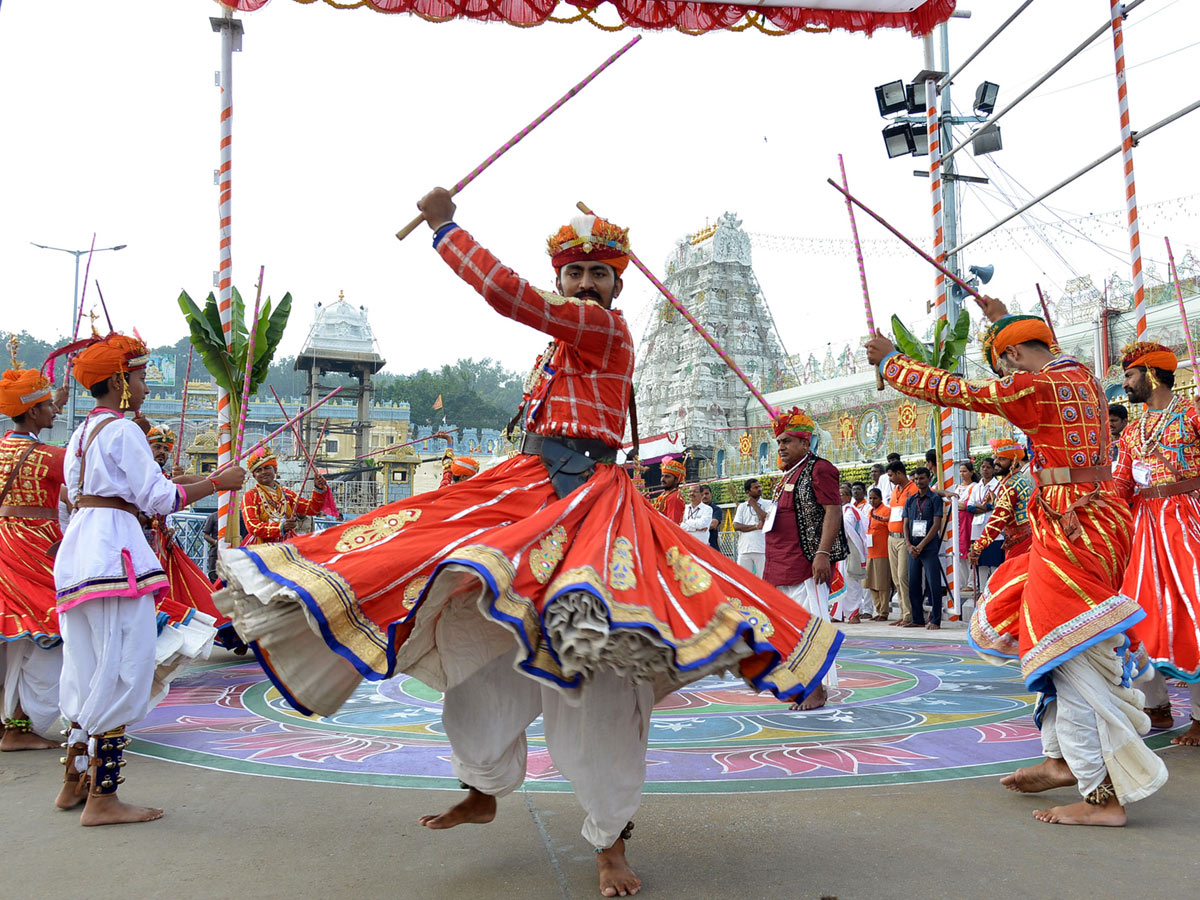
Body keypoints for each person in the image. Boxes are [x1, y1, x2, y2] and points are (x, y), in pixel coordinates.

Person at [215, 195, 842, 896]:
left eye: (596, 273)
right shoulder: (561, 345)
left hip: (589, 508)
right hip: (531, 493)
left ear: (616, 284)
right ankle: (483, 783)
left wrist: (447, 230)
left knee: (596, 673)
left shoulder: (599, 328)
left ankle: (610, 840)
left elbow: (510, 296)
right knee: (478, 629)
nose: (583, 284)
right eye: (573, 273)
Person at [867, 302, 1165, 826]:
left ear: (1014, 355)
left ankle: (1103, 797)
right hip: (1089, 521)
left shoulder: (1037, 386)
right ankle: (1058, 758)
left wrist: (892, 362)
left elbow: (960, 392)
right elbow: (1022, 355)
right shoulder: (1080, 374)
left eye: (1006, 364)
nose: (1007, 377)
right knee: (1054, 640)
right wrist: (1003, 318)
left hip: (1075, 529)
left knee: (1068, 653)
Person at [49, 331, 244, 826]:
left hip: (81, 555)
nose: (146, 387)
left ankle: (74, 783)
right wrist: (217, 483)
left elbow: (82, 498)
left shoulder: (78, 436)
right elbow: (161, 500)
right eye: (139, 376)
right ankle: (104, 798)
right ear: (118, 380)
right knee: (121, 667)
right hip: (114, 556)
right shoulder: (123, 431)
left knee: (86, 666)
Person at [1113, 342, 1200, 746]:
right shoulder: (1131, 430)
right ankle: (1157, 706)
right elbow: (1122, 484)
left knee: (1192, 612)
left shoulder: (1193, 414)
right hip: (1146, 528)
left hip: (1189, 521)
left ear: (1150, 374)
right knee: (1139, 616)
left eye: (1130, 375)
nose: (1125, 384)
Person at [0, 359, 67, 750]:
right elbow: (82, 490)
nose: (53, 411)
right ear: (33, 411)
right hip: (37, 547)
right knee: (43, 632)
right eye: (47, 406)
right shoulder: (50, 457)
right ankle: (18, 728)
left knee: (14, 637)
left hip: (4, 543)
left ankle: (12, 724)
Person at [763, 407, 847, 710]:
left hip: (805, 565)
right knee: (788, 630)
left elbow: (832, 511)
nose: (781, 447)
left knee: (812, 628)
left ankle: (817, 690)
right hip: (778, 566)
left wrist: (822, 554)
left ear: (804, 442)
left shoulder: (819, 468)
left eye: (787, 441)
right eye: (779, 443)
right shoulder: (786, 475)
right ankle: (802, 683)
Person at [968, 440, 1033, 576]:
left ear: (1014, 461)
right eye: (996, 457)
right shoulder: (1019, 479)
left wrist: (978, 546)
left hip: (1019, 541)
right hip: (1026, 537)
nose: (996, 462)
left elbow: (997, 521)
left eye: (1002, 459)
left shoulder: (1010, 485)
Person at [240, 447, 328, 546]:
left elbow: (312, 509)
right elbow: (252, 526)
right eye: (258, 470)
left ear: (275, 470)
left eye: (267, 468)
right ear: (254, 476)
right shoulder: (250, 496)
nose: (263, 472)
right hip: (260, 545)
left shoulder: (287, 494)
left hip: (286, 542)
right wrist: (281, 528)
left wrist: (318, 489)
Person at [904, 467, 944, 630]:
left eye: (922, 478)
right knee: (913, 583)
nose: (918, 481)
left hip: (928, 547)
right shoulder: (911, 500)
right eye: (916, 479)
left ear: (928, 479)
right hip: (912, 547)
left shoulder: (935, 499)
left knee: (933, 583)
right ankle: (917, 618)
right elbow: (905, 524)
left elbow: (936, 525)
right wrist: (909, 544)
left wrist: (921, 546)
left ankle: (935, 619)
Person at [884, 460, 917, 626]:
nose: (889, 479)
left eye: (891, 475)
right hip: (891, 537)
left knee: (903, 576)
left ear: (899, 473)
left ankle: (909, 615)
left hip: (905, 538)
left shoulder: (913, 488)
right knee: (896, 579)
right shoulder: (895, 490)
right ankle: (904, 613)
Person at [836, 482, 869, 624]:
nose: (839, 497)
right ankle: (840, 613)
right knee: (841, 582)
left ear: (849, 497)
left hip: (851, 550)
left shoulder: (850, 511)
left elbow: (846, 527)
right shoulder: (841, 510)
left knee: (851, 582)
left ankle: (854, 613)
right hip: (840, 552)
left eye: (842, 495)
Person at [967, 457, 1001, 591]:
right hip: (977, 528)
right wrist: (984, 507)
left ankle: (994, 591)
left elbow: (995, 505)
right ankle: (981, 591)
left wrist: (983, 507)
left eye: (988, 467)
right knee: (980, 563)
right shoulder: (977, 487)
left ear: (993, 470)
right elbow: (969, 507)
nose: (985, 470)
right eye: (983, 467)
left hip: (993, 530)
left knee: (994, 563)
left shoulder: (997, 485)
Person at [863, 487, 893, 621]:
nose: (872, 500)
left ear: (881, 498)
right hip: (870, 553)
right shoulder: (869, 512)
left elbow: (891, 528)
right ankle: (878, 609)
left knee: (882, 584)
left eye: (875, 498)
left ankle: (884, 612)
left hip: (883, 552)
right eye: (870, 498)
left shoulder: (887, 511)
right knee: (870, 583)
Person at [732, 478, 768, 577]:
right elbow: (736, 526)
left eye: (759, 486)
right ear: (748, 491)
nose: (759, 489)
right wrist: (756, 527)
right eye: (755, 487)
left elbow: (764, 518)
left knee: (764, 580)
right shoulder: (742, 507)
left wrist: (754, 505)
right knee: (743, 579)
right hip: (744, 549)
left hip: (762, 548)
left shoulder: (768, 503)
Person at [652, 457, 686, 523]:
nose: (662, 479)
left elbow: (673, 524)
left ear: (676, 480)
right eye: (662, 476)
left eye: (667, 476)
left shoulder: (674, 498)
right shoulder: (666, 494)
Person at [699, 484, 721, 552]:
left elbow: (713, 525)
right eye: (702, 494)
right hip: (697, 546)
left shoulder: (716, 509)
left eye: (706, 493)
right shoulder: (694, 509)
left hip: (712, 547)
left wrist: (694, 526)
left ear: (711, 494)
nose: (704, 496)